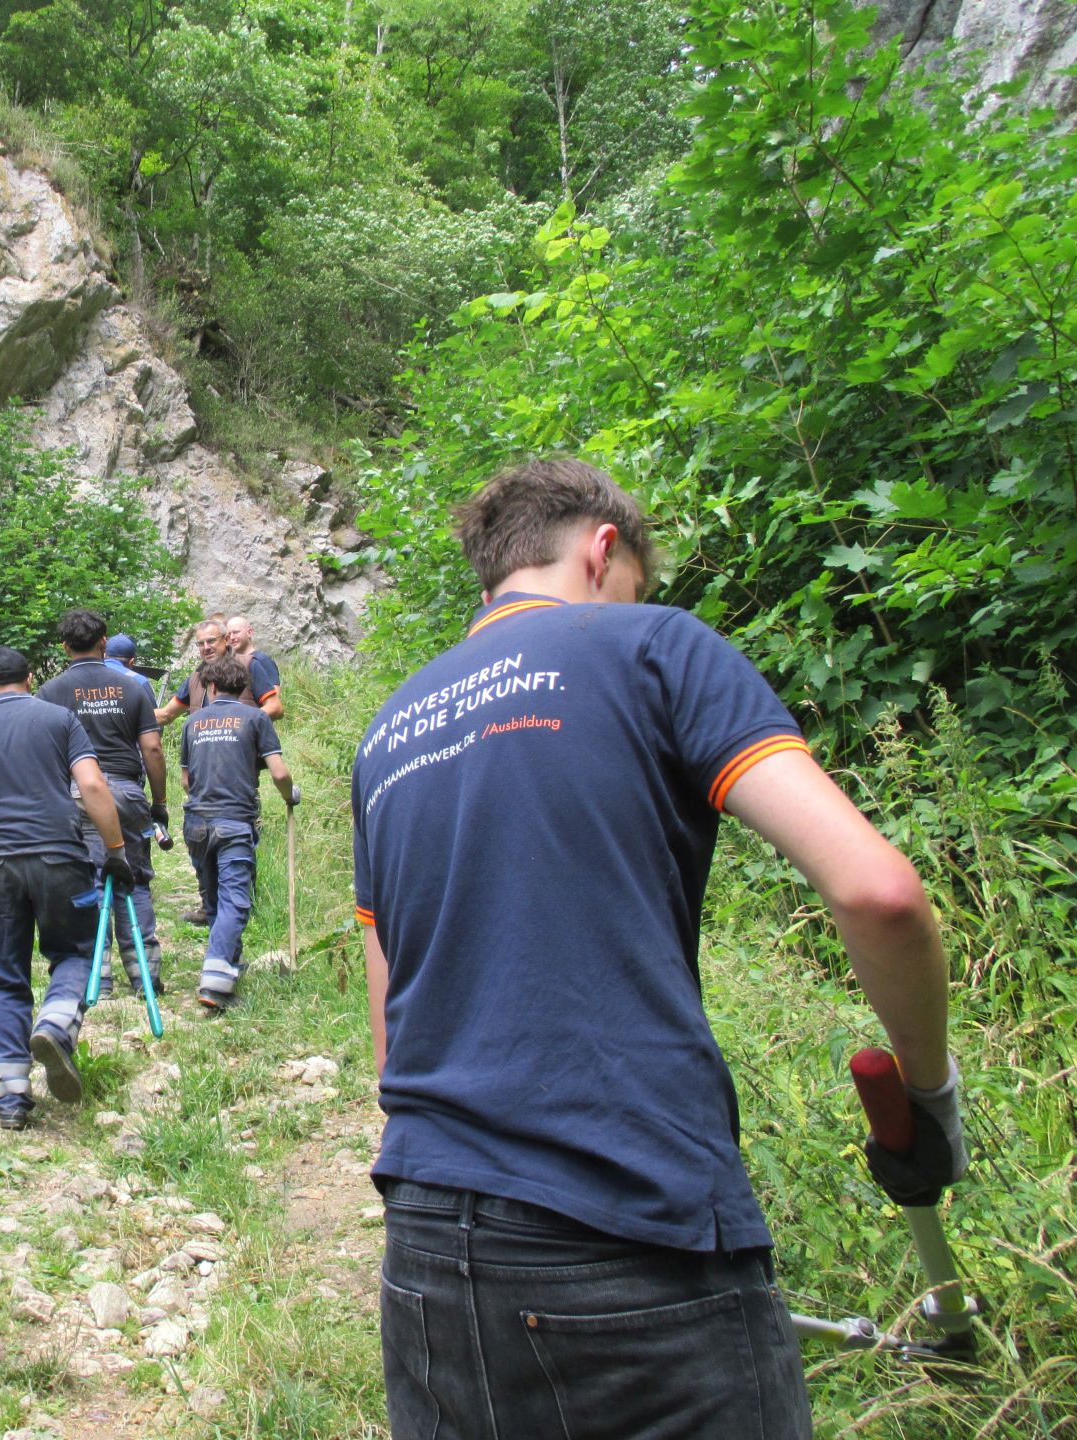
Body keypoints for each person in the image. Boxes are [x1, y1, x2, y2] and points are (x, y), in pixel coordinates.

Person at [351, 458, 962, 1440]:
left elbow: (391, 1044)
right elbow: (879, 892)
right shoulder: (650, 647)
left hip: (426, 1246)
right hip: (631, 1219)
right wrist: (929, 1101)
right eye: (637, 579)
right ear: (603, 552)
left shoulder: (386, 736)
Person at [0, 645, 135, 1130]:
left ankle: (12, 1094)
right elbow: (93, 787)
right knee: (75, 951)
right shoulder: (60, 720)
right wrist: (116, 851)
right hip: (59, 857)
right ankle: (57, 1022)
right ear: (30, 677)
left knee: (2, 978)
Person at [40, 610, 169, 998]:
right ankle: (144, 974)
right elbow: (151, 747)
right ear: (103, 641)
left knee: (89, 881)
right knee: (135, 879)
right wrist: (159, 802)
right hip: (126, 794)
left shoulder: (50, 693)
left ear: (65, 647)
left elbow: (47, 756)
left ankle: (100, 977)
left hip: (76, 795)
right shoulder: (135, 688)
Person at [180, 653, 299, 1011]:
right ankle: (215, 982)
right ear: (243, 686)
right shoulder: (256, 718)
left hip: (197, 821)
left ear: (212, 687)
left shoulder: (193, 723)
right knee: (236, 901)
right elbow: (279, 773)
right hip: (235, 821)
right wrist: (290, 795)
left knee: (215, 901)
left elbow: (186, 780)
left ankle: (227, 965)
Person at [153, 619, 229, 726]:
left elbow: (262, 711)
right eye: (201, 643)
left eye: (211, 641)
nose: (206, 647)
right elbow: (167, 714)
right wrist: (128, 713)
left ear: (226, 639)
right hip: (205, 741)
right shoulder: (195, 680)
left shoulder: (248, 667)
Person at [223, 614, 284, 720]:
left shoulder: (262, 660)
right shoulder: (228, 662)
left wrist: (246, 719)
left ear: (250, 632)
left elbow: (275, 699)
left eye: (236, 632)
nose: (232, 637)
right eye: (229, 635)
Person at [103, 633, 158, 701]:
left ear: (104, 655)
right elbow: (153, 711)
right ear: (132, 662)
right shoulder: (140, 681)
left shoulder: (88, 673)